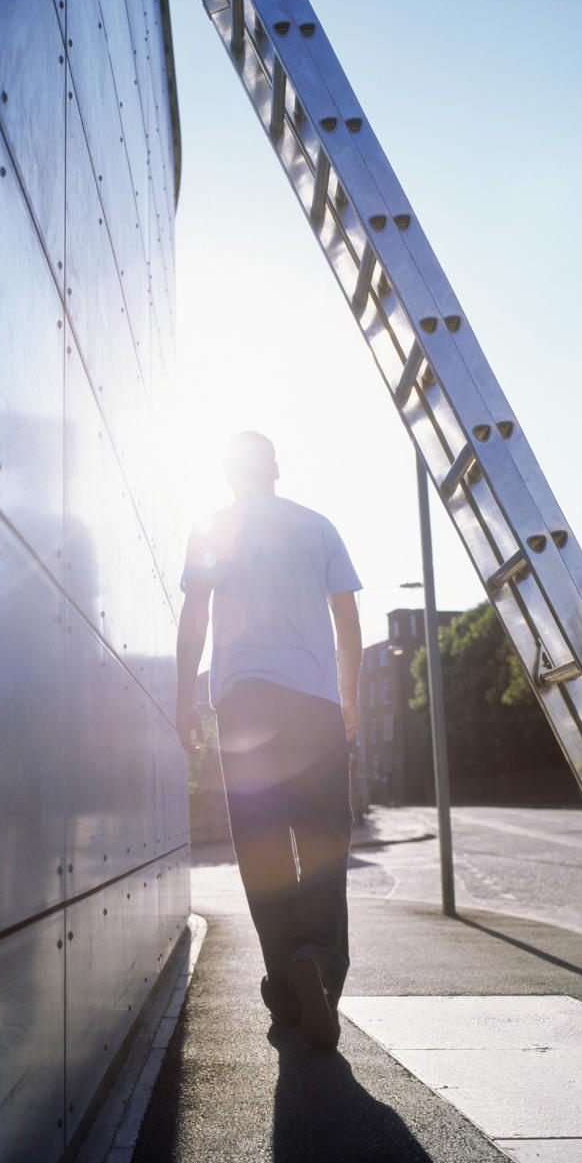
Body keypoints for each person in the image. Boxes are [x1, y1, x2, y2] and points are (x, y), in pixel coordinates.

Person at [176, 431, 362, 1051]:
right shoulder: (317, 527)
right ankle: (314, 959)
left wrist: (184, 697)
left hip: (243, 703)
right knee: (324, 836)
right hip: (313, 702)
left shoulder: (209, 528)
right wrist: (352, 699)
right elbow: (348, 621)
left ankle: (284, 982)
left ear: (228, 473)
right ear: (276, 468)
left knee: (261, 846)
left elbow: (195, 616)